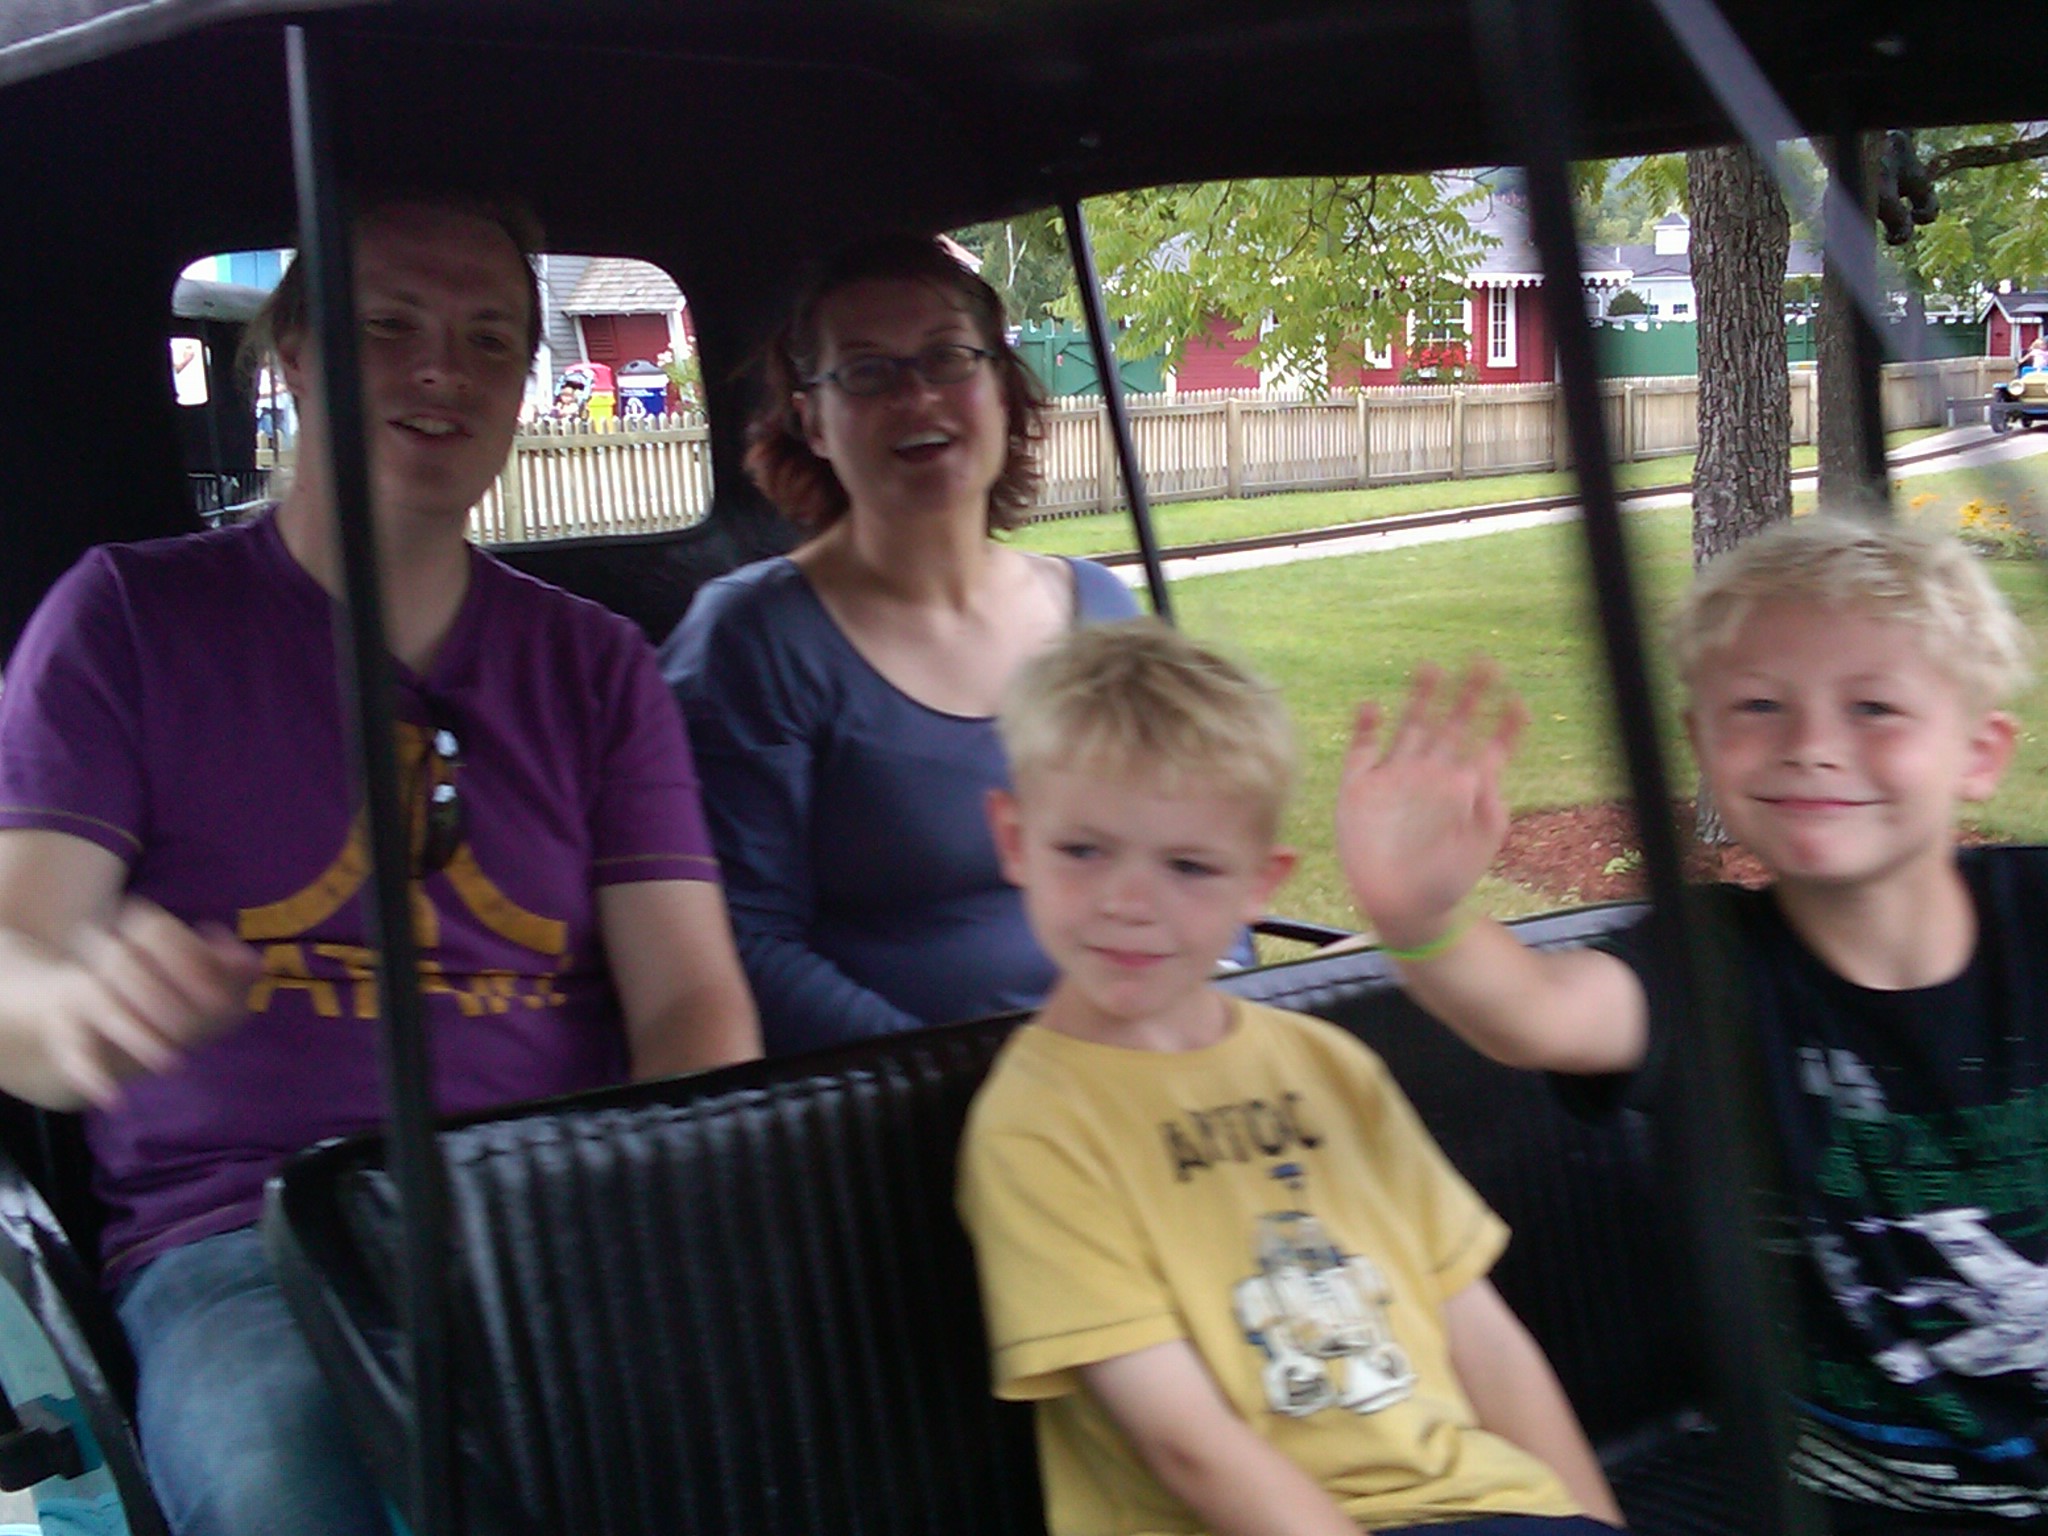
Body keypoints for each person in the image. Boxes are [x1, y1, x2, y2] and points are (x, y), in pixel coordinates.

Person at [0, 194, 761, 1536]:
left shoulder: (595, 668)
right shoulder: (125, 620)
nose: (440, 370)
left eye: (488, 338)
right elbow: (18, 963)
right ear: (293, 354)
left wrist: (654, 1206)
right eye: (387, 327)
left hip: (547, 1209)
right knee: (280, 1487)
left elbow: (692, 998)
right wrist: (79, 1014)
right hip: (246, 1237)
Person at [1335, 514, 2048, 1529]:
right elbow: (1534, 1015)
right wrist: (1419, 918)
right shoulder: (1710, 968)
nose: (1810, 747)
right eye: (1757, 706)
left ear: (1977, 754)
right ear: (1701, 743)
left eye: (1874, 708)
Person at [957, 619, 1624, 1536]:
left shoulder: (1328, 1065)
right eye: (1083, 851)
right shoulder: (1038, 1125)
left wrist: (1595, 1521)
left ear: (1258, 884)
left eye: (1189, 865)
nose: (1129, 901)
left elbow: (1483, 1336)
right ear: (1014, 838)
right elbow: (1187, 1445)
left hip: (1481, 1506)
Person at [661, 233, 1139, 1056]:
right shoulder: (755, 641)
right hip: (906, 1106)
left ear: (1000, 387)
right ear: (812, 420)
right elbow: (743, 943)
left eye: (948, 357)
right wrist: (966, 1086)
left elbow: (1189, 856)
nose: (917, 397)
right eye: (867, 371)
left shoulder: (1103, 610)